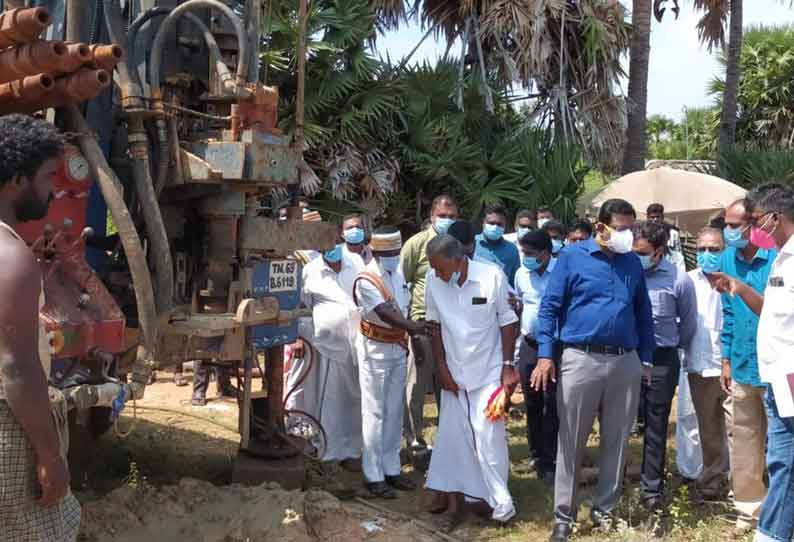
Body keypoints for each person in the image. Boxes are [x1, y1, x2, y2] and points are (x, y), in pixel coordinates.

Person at [534, 198, 655, 542]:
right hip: (580, 358)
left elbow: (643, 313)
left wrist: (644, 359)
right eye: (619, 228)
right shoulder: (572, 257)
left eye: (630, 228)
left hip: (624, 361)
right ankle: (563, 517)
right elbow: (549, 309)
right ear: (600, 226)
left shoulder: (632, 262)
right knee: (571, 439)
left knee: (617, 440)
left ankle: (606, 511)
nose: (626, 234)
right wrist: (546, 355)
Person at [0, 114, 81, 541]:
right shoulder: (11, 257)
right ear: (17, 178)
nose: (53, 191)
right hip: (9, 431)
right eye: (48, 176)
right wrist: (50, 455)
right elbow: (17, 369)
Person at [708, 183, 794, 542]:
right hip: (775, 375)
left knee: (783, 462)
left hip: (790, 377)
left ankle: (771, 534)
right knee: (782, 459)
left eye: (755, 221)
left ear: (774, 219)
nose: (748, 231)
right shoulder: (782, 256)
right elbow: (774, 314)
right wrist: (741, 289)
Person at [424, 235, 519, 530]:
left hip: (490, 371)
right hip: (453, 375)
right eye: (434, 269)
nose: (437, 273)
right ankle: (462, 499)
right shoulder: (433, 279)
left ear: (457, 259)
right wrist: (440, 368)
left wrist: (507, 367)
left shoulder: (490, 276)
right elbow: (434, 326)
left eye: (440, 268)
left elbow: (507, 320)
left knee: (489, 438)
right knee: (453, 441)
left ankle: (500, 502)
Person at [353, 227, 427, 498]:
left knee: (395, 411)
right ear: (374, 251)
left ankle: (392, 469)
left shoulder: (397, 274)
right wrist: (414, 327)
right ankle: (373, 475)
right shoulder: (366, 278)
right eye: (388, 253)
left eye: (396, 252)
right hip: (375, 349)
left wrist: (409, 332)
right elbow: (385, 313)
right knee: (374, 413)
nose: (394, 257)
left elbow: (403, 306)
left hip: (397, 348)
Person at [632, 221, 697, 510]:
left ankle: (651, 489)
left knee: (656, 424)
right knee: (617, 422)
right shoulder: (625, 273)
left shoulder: (678, 279)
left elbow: (689, 323)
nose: (638, 257)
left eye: (643, 252)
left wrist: (669, 347)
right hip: (626, 357)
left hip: (661, 360)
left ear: (659, 251)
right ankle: (613, 483)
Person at [721, 198, 776, 530]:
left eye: (734, 225)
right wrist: (725, 358)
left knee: (783, 443)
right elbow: (728, 313)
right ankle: (748, 508)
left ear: (755, 224)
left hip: (778, 365)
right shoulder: (728, 258)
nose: (729, 232)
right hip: (742, 362)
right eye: (726, 224)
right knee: (743, 438)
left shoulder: (781, 259)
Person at [400, 194, 458, 464]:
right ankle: (414, 440)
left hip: (453, 327)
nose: (447, 220)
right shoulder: (416, 244)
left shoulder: (456, 244)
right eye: (442, 216)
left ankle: (447, 440)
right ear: (432, 215)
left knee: (447, 384)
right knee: (416, 385)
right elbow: (403, 281)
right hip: (422, 325)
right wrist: (408, 325)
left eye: (451, 216)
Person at [301, 238, 363, 470]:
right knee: (331, 399)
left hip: (357, 344)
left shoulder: (356, 262)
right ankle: (331, 449)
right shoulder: (311, 270)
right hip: (328, 347)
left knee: (355, 398)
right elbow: (304, 305)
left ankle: (354, 449)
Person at [684, 227, 730, 500]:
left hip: (733, 366)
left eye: (714, 249)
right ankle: (712, 480)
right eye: (702, 249)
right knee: (709, 428)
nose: (707, 254)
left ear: (725, 250)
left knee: (740, 429)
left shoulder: (737, 281)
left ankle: (743, 484)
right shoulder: (686, 282)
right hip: (699, 365)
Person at [514, 229, 558, 486]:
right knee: (531, 399)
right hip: (529, 344)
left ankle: (551, 458)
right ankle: (536, 453)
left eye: (529, 254)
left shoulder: (560, 273)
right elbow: (521, 303)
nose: (525, 258)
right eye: (523, 252)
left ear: (544, 253)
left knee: (551, 403)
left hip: (553, 347)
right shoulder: (521, 274)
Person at [474, 204, 521, 287]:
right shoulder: (472, 244)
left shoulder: (512, 250)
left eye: (499, 224)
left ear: (505, 225)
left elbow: (514, 282)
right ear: (483, 222)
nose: (495, 227)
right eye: (491, 223)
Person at [647, 203, 685, 272]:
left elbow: (678, 252)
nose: (655, 219)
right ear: (647, 218)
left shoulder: (673, 233)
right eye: (652, 217)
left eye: (657, 217)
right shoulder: (643, 234)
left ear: (662, 217)